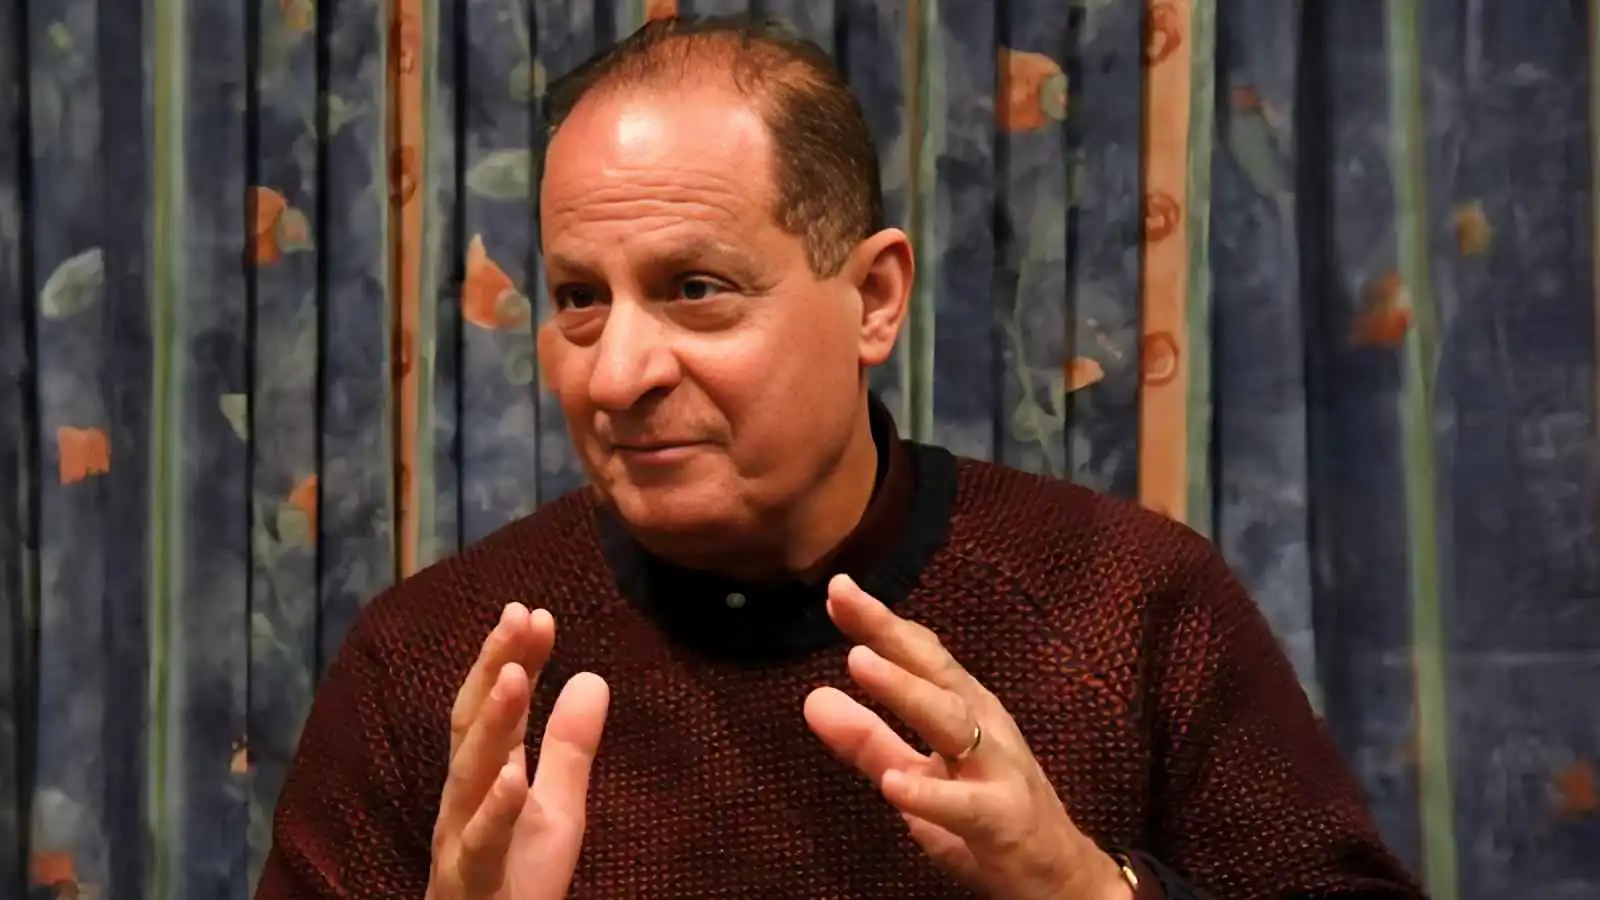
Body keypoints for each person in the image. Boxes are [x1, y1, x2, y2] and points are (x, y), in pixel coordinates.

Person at [254, 14, 1426, 900]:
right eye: (577, 299)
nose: (614, 376)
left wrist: (1084, 889)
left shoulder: (1128, 606)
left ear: (873, 298)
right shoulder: (435, 670)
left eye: (694, 288)